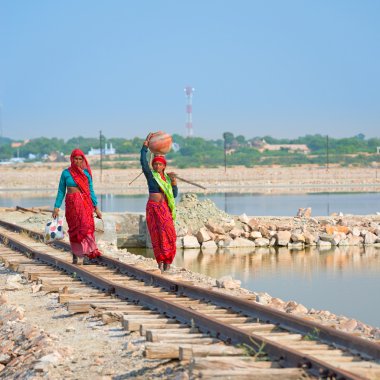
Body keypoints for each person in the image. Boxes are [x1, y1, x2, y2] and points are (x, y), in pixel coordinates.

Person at [52, 149, 102, 264]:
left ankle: (85, 253)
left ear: (83, 160)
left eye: (80, 159)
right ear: (72, 159)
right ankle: (76, 253)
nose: (78, 161)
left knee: (85, 227)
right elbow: (61, 191)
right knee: (74, 229)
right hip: (71, 205)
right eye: (76, 159)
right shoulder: (66, 173)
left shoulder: (86, 174)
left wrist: (96, 208)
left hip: (85, 204)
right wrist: (56, 207)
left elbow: (91, 192)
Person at [140, 133, 178, 273]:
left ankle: (168, 260)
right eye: (155, 163)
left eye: (159, 164)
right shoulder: (150, 176)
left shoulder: (167, 179)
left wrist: (174, 184)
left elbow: (173, 196)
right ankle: (160, 261)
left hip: (164, 209)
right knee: (156, 235)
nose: (157, 166)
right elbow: (143, 162)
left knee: (169, 234)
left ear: (164, 166)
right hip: (153, 208)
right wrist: (144, 147)